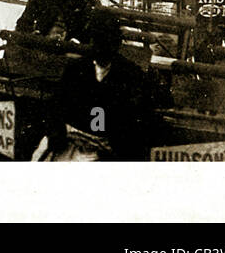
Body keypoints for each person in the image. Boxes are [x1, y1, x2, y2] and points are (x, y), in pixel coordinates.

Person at [42, 9, 165, 161]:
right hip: (73, 143)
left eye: (107, 41)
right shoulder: (77, 69)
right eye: (98, 40)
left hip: (110, 149)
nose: (101, 47)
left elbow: (141, 117)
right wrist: (57, 134)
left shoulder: (131, 74)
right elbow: (56, 105)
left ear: (116, 44)